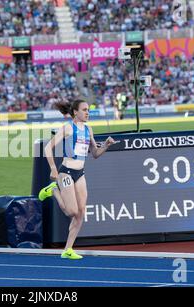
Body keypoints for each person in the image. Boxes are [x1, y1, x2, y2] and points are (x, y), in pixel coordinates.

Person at [38, 99, 115, 260]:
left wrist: (106, 145)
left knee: (80, 213)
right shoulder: (67, 128)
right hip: (65, 172)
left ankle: (68, 249)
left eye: (88, 110)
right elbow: (47, 148)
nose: (88, 113)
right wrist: (53, 168)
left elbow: (94, 154)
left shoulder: (88, 130)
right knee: (72, 211)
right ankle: (53, 190)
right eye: (85, 110)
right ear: (75, 112)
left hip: (80, 174)